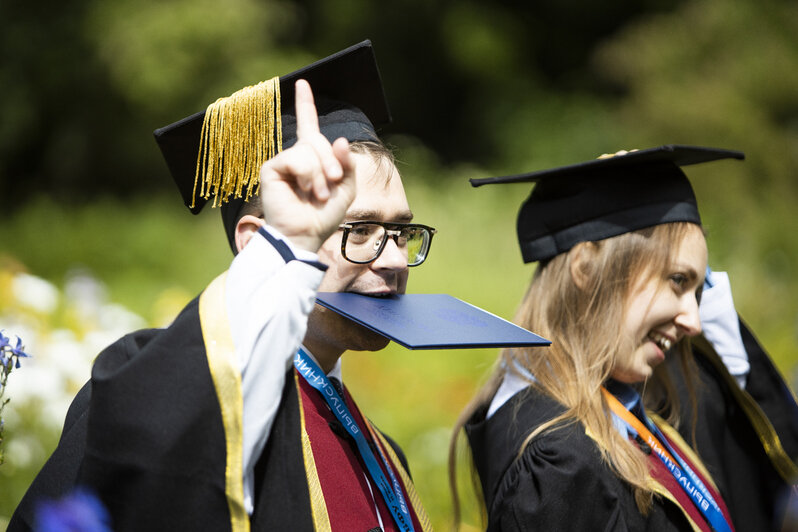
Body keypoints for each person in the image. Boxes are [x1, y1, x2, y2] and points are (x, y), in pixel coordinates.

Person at [9, 41, 434, 531]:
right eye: (358, 230)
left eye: (401, 232)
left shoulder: (382, 456)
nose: (396, 260)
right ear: (258, 244)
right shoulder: (159, 398)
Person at [453, 145, 796, 531]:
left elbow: (756, 454)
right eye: (678, 280)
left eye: (699, 290)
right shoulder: (560, 466)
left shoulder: (634, 405)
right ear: (585, 268)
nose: (694, 323)